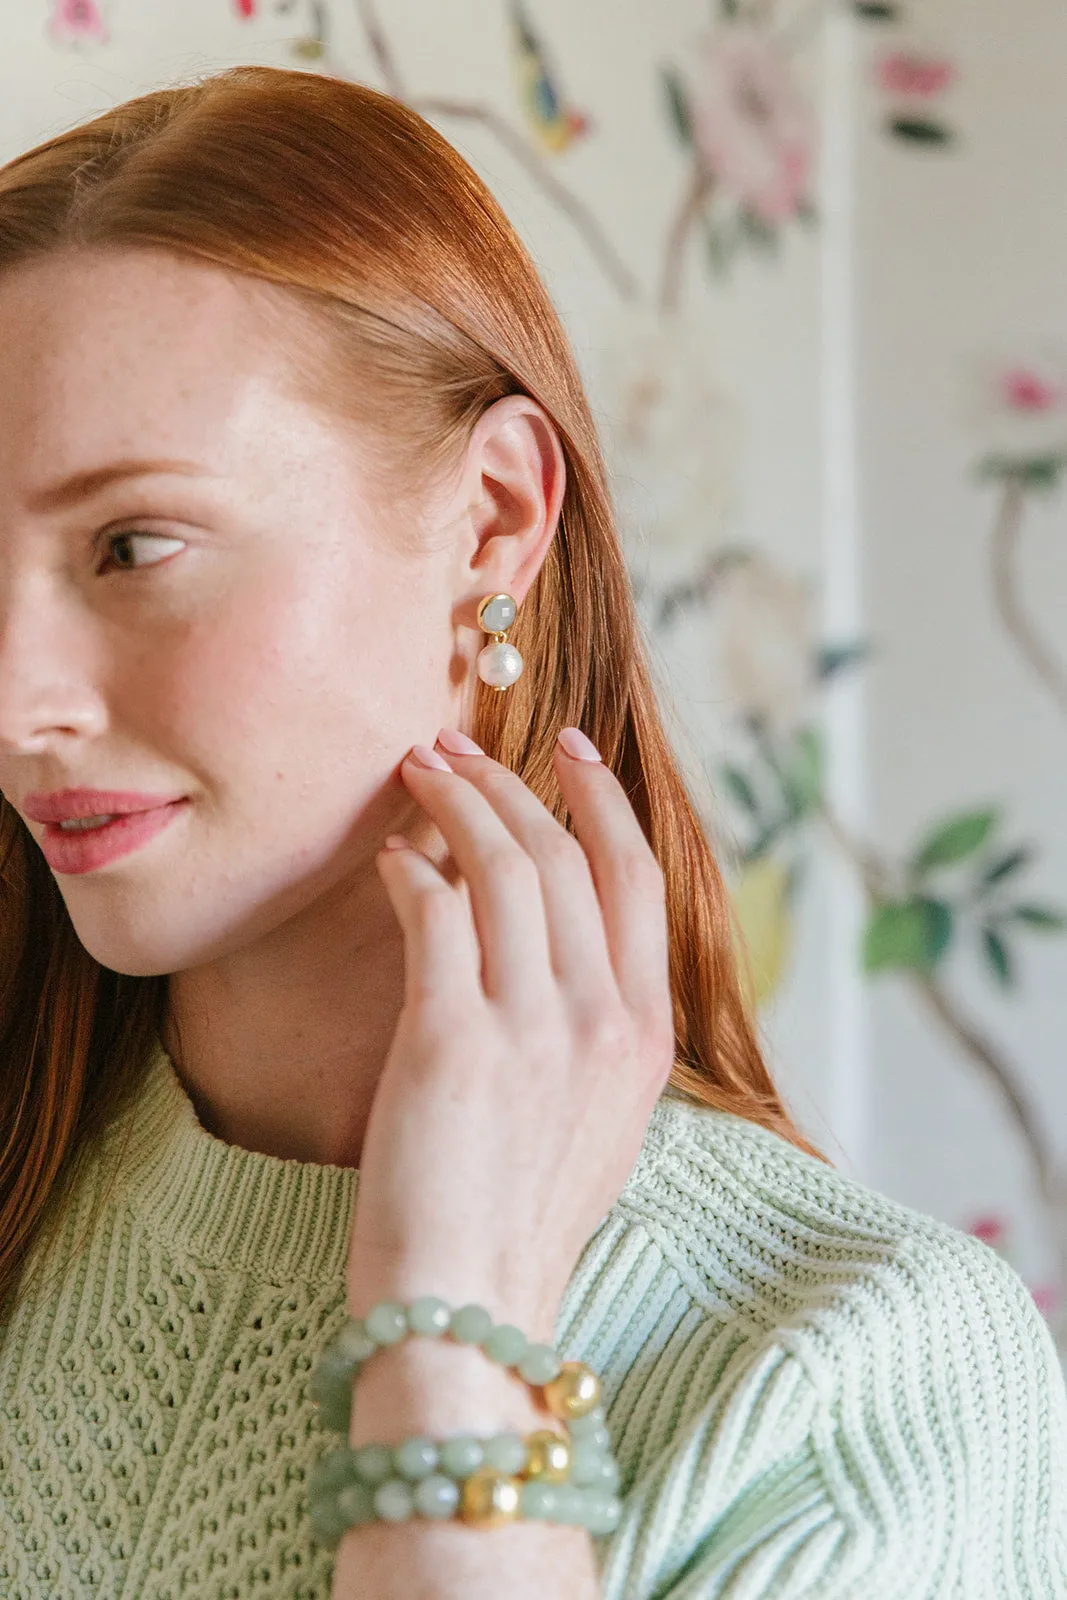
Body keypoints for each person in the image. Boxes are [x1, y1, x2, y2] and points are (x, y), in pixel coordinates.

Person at [0, 64, 1062, 1600]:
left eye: (131, 545)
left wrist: (450, 1329)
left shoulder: (853, 1372)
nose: (18, 698)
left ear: (493, 515)